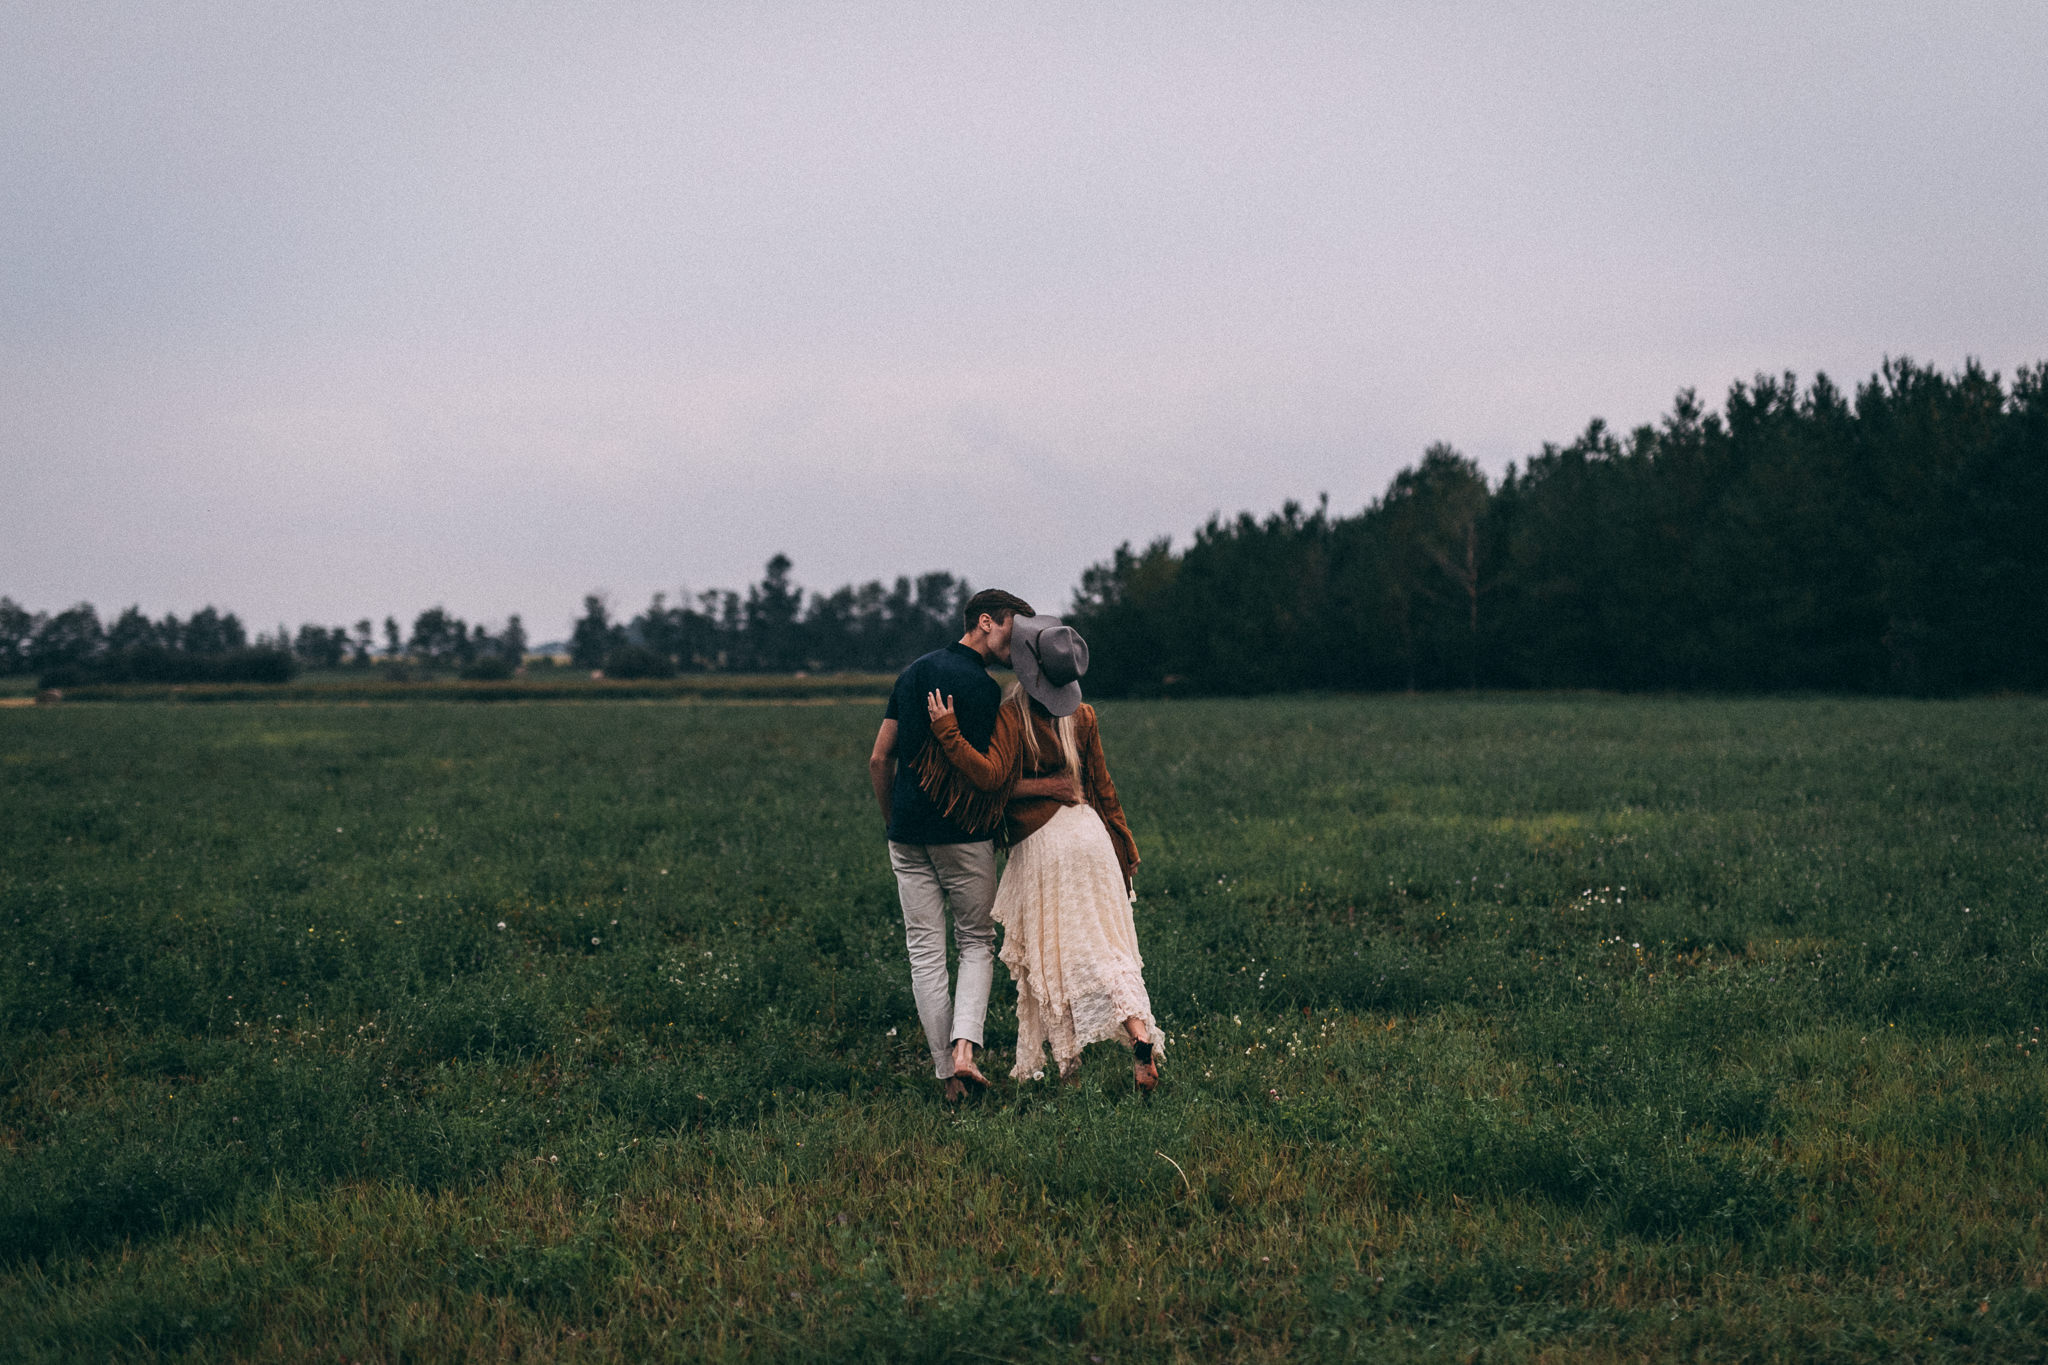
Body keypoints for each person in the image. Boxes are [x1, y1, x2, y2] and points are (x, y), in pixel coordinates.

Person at [923, 614, 1161, 1091]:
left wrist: (948, 733)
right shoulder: (1085, 716)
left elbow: (991, 782)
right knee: (1106, 948)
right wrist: (1125, 844)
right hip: (1090, 838)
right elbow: (1102, 789)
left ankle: (1067, 1070)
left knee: (1054, 958)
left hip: (1044, 848)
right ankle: (1138, 1033)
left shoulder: (1012, 715)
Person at [867, 589, 1079, 1102]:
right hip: (962, 836)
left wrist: (895, 821)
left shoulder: (912, 673)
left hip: (907, 835)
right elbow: (992, 779)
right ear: (986, 622)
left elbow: (879, 760)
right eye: (1015, 629)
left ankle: (948, 1078)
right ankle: (965, 1053)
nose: (1020, 641)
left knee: (924, 955)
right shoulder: (983, 690)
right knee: (975, 943)